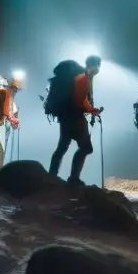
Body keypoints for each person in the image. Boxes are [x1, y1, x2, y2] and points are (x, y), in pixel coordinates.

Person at [47, 55, 103, 186]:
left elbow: (81, 99)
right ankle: (73, 178)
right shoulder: (83, 78)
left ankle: (51, 175)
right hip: (75, 117)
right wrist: (91, 110)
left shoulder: (80, 78)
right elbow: (80, 100)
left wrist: (92, 110)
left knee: (62, 147)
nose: (99, 69)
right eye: (98, 65)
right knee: (86, 148)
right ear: (94, 65)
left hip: (65, 117)